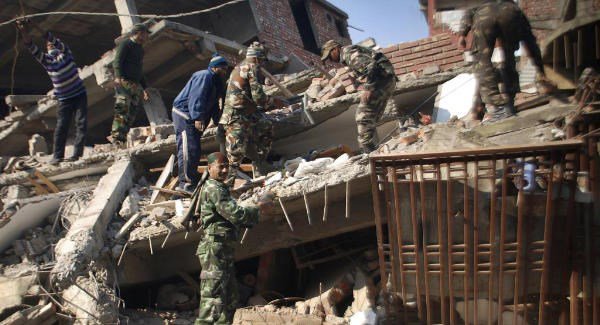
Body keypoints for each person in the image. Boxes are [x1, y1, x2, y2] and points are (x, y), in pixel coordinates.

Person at [191, 152, 271, 324]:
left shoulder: (220, 187)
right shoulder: (213, 188)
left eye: (227, 166)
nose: (225, 170)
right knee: (212, 299)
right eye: (221, 166)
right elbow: (234, 214)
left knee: (229, 298)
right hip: (214, 250)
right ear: (210, 168)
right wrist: (258, 209)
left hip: (223, 249)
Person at [458, 0, 552, 123]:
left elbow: (469, 11)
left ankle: (499, 108)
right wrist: (541, 72)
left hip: (484, 14)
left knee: (482, 61)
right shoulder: (514, 8)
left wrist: (462, 34)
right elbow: (530, 43)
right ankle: (508, 105)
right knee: (509, 58)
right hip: (510, 12)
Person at [16, 19, 87, 165]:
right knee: (61, 127)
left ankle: (77, 155)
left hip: (79, 95)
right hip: (64, 99)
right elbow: (30, 45)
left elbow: (48, 36)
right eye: (48, 45)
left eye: (51, 43)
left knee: (81, 123)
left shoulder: (66, 53)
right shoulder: (46, 61)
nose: (50, 45)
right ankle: (57, 156)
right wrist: (23, 30)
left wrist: (36, 25)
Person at [321, 39, 397, 153]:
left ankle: (369, 151)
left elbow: (371, 67)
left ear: (335, 49)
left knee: (362, 117)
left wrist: (368, 89)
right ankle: (373, 149)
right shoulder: (348, 55)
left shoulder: (348, 53)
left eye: (330, 56)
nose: (330, 60)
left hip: (381, 81)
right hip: (385, 80)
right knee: (371, 117)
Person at [172, 55, 229, 193]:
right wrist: (197, 117)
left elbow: (215, 103)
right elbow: (197, 97)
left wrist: (218, 120)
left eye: (226, 69)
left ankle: (189, 177)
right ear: (214, 67)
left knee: (195, 149)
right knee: (189, 148)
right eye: (222, 68)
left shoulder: (217, 81)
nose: (225, 71)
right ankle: (185, 184)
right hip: (185, 114)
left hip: (194, 115)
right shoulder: (204, 76)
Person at [220, 41, 274, 185]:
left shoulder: (239, 67)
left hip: (246, 114)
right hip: (236, 117)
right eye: (262, 61)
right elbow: (259, 98)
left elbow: (248, 95)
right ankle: (225, 187)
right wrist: (273, 102)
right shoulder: (250, 67)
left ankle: (260, 166)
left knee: (265, 126)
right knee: (235, 154)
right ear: (257, 58)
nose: (262, 65)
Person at [110, 23, 150, 146]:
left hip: (135, 85)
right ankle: (116, 138)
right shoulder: (125, 44)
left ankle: (122, 140)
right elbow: (117, 61)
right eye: (144, 34)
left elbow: (139, 69)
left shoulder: (140, 49)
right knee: (122, 109)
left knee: (131, 114)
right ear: (137, 33)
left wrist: (145, 88)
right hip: (124, 82)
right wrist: (118, 77)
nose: (146, 37)